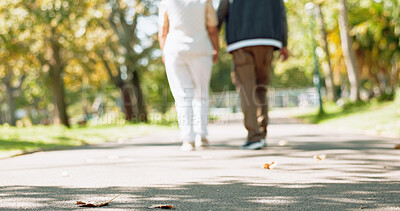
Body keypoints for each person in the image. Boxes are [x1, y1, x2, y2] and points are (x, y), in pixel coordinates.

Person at [217, 0, 289, 150]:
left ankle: (254, 136)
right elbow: (282, 13)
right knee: (261, 88)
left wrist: (212, 37)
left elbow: (221, 11)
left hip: (241, 41)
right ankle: (261, 133)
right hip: (268, 39)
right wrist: (284, 43)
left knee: (246, 89)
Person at [158, 0, 219, 151]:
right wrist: (216, 48)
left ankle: (188, 139)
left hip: (175, 50)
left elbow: (162, 31)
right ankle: (202, 136)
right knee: (201, 94)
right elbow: (212, 27)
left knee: (182, 96)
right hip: (200, 49)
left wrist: (164, 51)